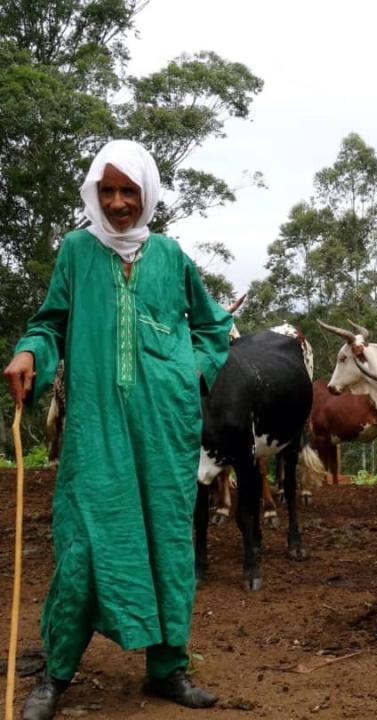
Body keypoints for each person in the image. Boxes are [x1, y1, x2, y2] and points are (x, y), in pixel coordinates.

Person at [3, 140, 234, 720]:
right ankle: (56, 675)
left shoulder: (172, 256)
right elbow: (50, 322)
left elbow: (213, 328)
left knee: (166, 544)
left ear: (147, 192)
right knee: (82, 547)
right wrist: (31, 352)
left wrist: (190, 375)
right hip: (95, 427)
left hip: (164, 431)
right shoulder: (78, 251)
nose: (117, 202)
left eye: (128, 190)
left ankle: (167, 670)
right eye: (106, 190)